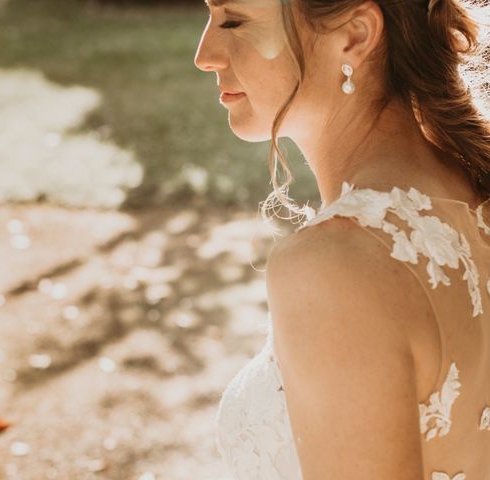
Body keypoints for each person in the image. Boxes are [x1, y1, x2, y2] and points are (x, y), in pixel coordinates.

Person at [194, 1, 490, 479]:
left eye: (234, 20)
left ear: (354, 35)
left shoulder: (335, 266)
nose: (204, 54)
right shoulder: (472, 193)